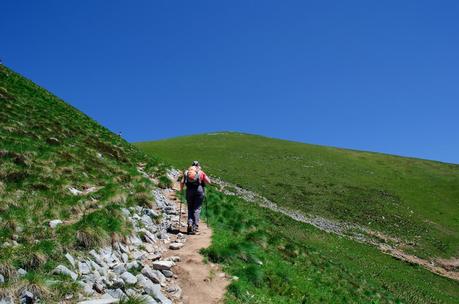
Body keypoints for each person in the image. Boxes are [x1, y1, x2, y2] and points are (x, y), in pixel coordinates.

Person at [180, 161, 211, 234]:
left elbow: (182, 182)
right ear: (198, 165)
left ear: (192, 165)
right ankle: (195, 227)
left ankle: (190, 224)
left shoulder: (187, 172)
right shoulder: (200, 172)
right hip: (199, 191)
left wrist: (181, 190)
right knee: (197, 209)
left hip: (189, 191)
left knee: (190, 208)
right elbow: (208, 181)